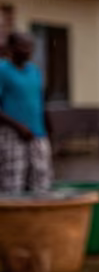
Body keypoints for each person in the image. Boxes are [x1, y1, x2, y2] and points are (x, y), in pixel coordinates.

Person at [0, 32, 53, 193]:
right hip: (11, 135)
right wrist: (18, 127)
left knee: (41, 180)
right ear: (11, 48)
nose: (27, 51)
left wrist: (49, 132)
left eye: (30, 47)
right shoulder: (3, 70)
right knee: (13, 181)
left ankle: (38, 217)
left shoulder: (34, 72)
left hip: (37, 134)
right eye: (22, 46)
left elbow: (41, 103)